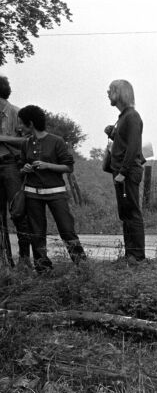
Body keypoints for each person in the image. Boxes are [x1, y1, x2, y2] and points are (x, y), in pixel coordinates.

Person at [16, 105, 86, 272]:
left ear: (30, 123)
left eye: (22, 123)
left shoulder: (56, 141)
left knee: (67, 230)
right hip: (32, 194)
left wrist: (47, 165)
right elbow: (19, 167)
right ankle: (43, 268)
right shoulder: (26, 144)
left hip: (56, 193)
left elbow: (69, 167)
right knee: (36, 233)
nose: (19, 127)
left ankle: (82, 266)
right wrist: (24, 168)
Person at [105, 79, 146, 265]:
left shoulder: (132, 116)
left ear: (119, 93)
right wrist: (112, 133)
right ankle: (130, 254)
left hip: (127, 172)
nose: (107, 93)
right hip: (121, 172)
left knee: (132, 212)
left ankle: (137, 255)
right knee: (126, 213)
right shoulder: (123, 116)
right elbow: (124, 141)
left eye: (111, 90)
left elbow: (133, 147)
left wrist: (123, 171)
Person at [0, 75, 31, 268]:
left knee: (19, 212)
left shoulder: (17, 114)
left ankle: (25, 260)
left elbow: (28, 141)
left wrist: (3, 138)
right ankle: (4, 262)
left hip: (11, 165)